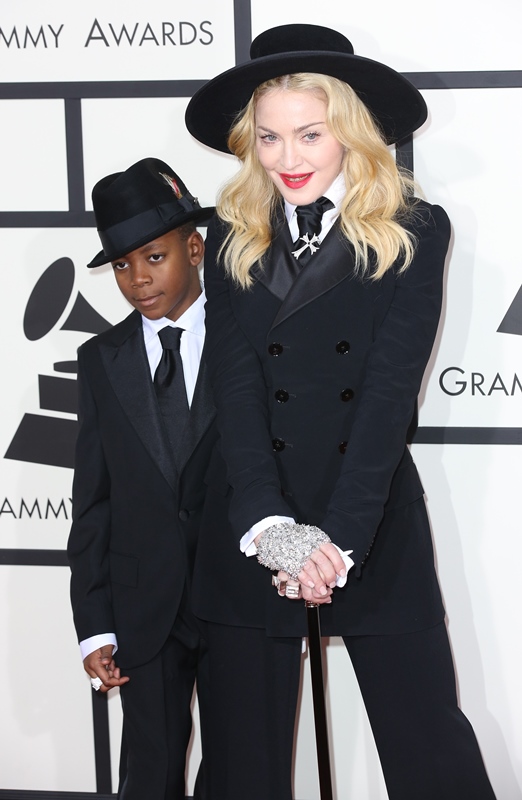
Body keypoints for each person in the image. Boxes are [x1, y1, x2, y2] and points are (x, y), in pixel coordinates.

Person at [185, 23, 497, 800]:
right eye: (268, 137)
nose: (287, 158)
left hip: (370, 515)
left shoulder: (415, 230)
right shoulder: (227, 235)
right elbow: (235, 390)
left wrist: (335, 543)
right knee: (242, 764)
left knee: (430, 753)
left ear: (351, 132)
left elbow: (389, 398)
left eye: (310, 134)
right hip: (250, 522)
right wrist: (274, 530)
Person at [67, 157, 215, 800]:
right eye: (123, 266)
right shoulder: (100, 359)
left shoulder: (252, 339)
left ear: (194, 248)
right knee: (148, 773)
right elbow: (93, 500)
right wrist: (95, 623)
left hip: (239, 600)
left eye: (154, 257)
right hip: (141, 610)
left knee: (243, 770)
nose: (138, 279)